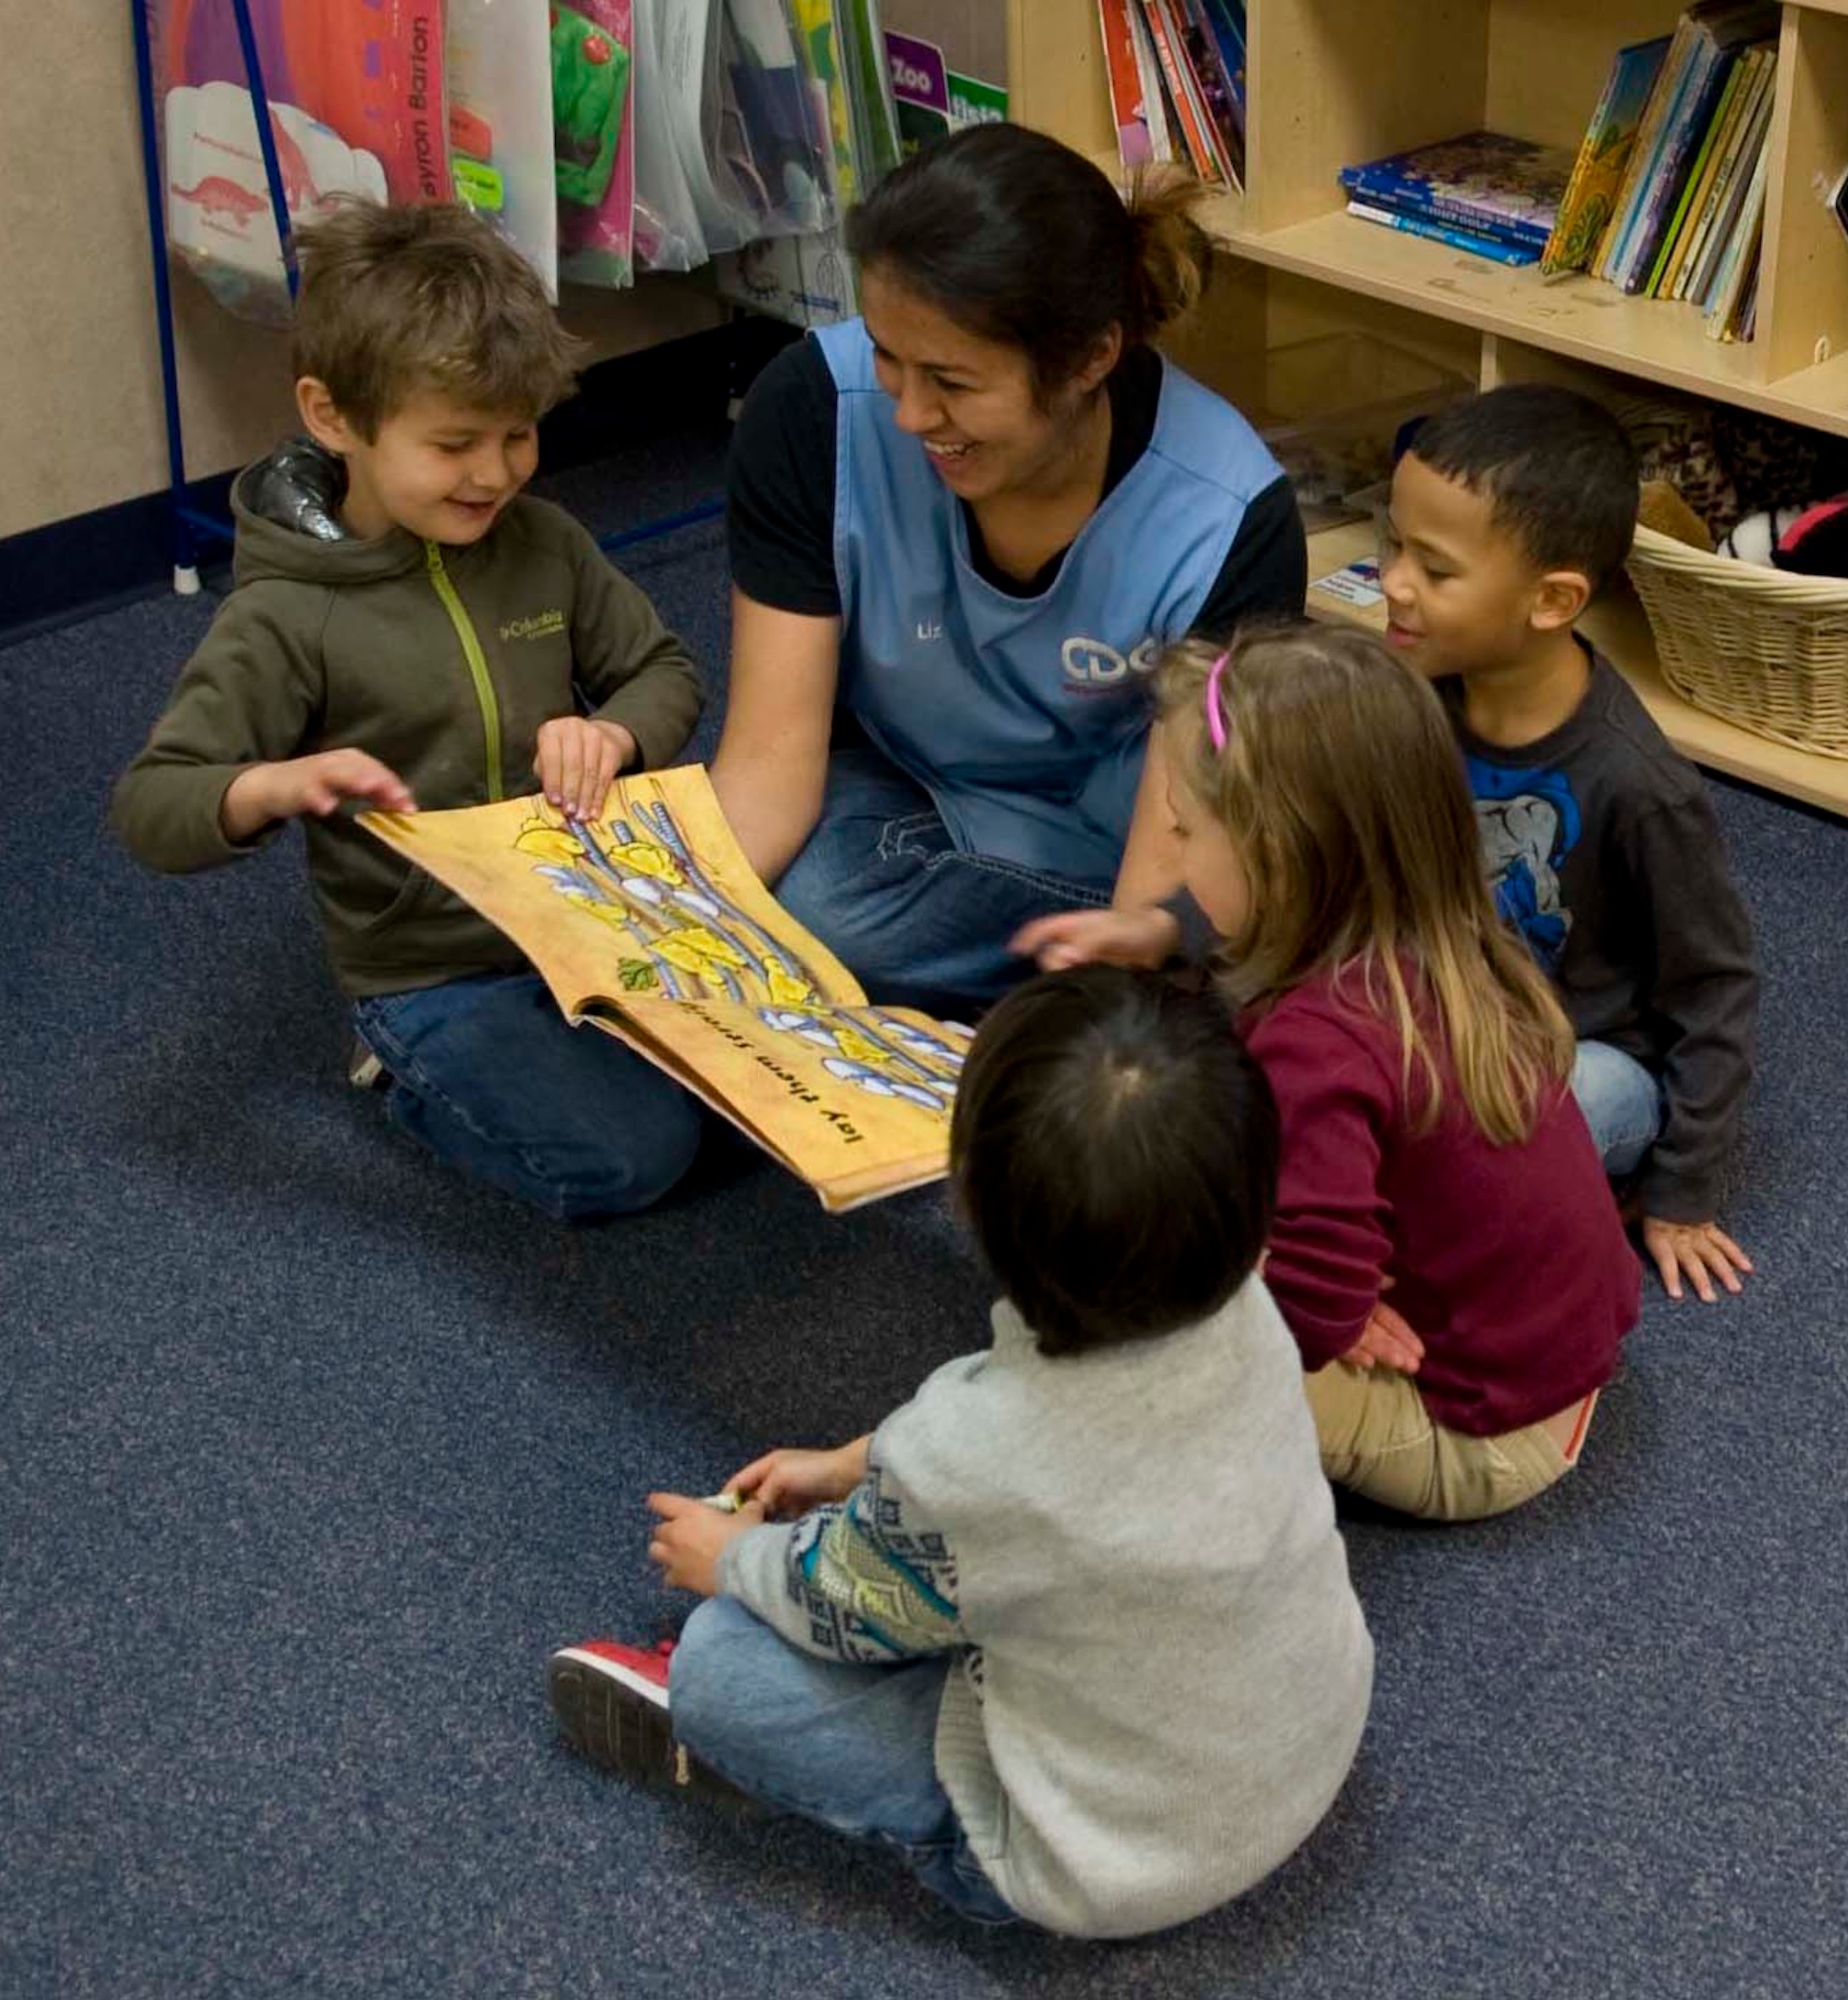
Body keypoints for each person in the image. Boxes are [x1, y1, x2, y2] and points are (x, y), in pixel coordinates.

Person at [546, 966, 1373, 1938]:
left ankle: (787, 1756)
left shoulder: (974, 1457)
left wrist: (726, 1558)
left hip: (1106, 1855)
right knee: (989, 1577)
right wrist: (857, 1463)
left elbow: (840, 1598)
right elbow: (1027, 1423)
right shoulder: (1241, 1307)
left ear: (971, 1209)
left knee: (726, 1665)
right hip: (1303, 1735)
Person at [111, 202, 705, 1221]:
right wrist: (272, 784)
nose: (496, 473)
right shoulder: (288, 615)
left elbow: (665, 669)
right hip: (432, 970)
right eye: (456, 441)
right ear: (333, 415)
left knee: (760, 1069)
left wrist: (614, 730)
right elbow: (151, 805)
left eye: (519, 434)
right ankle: (399, 1074)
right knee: (636, 1157)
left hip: (581, 909)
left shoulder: (547, 542)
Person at [1022, 628, 1643, 1521]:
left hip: (1470, 1432)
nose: (1173, 848)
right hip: (1555, 1362)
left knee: (1144, 1344)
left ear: (1275, 858)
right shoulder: (1442, 940)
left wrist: (1324, 1308)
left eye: (1188, 830)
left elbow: (1310, 1308)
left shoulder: (1314, 1044)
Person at [711, 123, 1307, 1016]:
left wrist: (1137, 952)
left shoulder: (1230, 518)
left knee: (838, 923)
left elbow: (1171, 858)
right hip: (904, 799)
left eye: (952, 380)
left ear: (1092, 358)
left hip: (1119, 846)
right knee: (807, 898)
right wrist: (675, 938)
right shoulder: (808, 409)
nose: (911, 414)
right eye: (886, 355)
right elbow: (767, 762)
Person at [1381, 385, 1759, 1302]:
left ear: (1552, 601)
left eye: (1434, 570)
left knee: (1570, 1104)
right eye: (1394, 547)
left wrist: (1683, 1192)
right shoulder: (1411, 697)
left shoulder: (1640, 786)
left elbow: (1715, 986)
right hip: (1438, 1011)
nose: (1393, 583)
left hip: (1579, 1054)